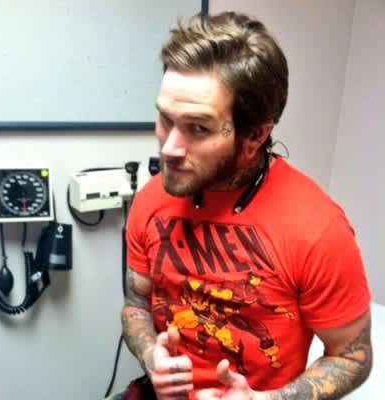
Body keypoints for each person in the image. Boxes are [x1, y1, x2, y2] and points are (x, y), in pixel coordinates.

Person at [121, 11, 372, 400]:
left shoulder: (317, 229)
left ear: (255, 135)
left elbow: (352, 357)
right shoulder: (151, 199)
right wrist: (151, 355)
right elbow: (136, 303)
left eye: (198, 128)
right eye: (165, 119)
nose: (169, 148)